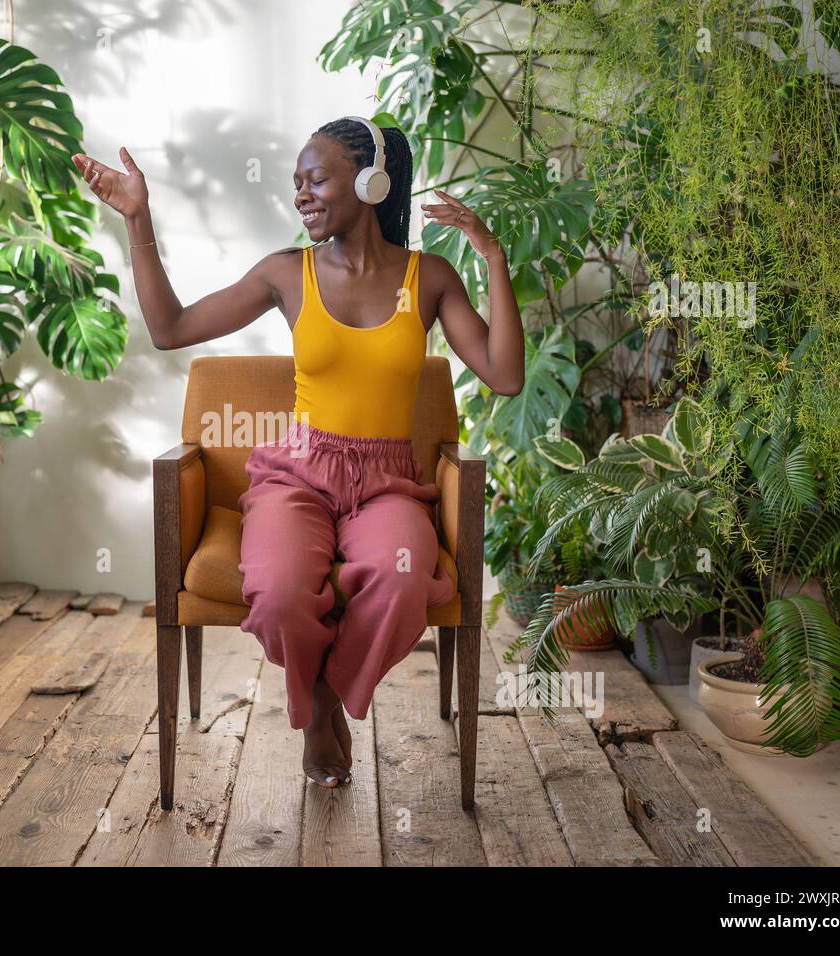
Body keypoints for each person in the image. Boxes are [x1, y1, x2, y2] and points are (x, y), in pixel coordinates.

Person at [72, 115, 523, 789]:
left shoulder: (429, 278)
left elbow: (505, 374)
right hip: (299, 476)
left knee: (402, 583)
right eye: (296, 183)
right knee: (279, 591)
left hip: (390, 483)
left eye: (317, 179)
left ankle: (326, 695)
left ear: (370, 182)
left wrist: (491, 257)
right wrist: (138, 219)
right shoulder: (288, 273)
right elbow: (170, 329)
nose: (302, 195)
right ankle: (315, 715)